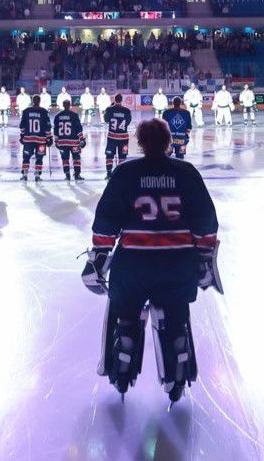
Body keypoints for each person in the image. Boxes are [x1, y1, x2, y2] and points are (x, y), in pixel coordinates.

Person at [81, 118, 219, 404]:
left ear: (140, 142)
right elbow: (206, 223)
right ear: (169, 141)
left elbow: (106, 223)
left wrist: (99, 254)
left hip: (133, 265)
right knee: (177, 316)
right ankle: (177, 359)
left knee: (126, 313)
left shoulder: (125, 173)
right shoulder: (186, 172)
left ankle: (124, 357)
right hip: (178, 264)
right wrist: (204, 256)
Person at [19, 94, 52, 182]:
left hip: (28, 140)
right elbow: (47, 126)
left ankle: (25, 175)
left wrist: (22, 135)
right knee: (39, 158)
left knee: (26, 157)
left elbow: (22, 126)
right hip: (41, 140)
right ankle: (37, 175)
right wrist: (49, 138)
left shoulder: (26, 111)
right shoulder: (44, 111)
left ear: (32, 101)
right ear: (39, 101)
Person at [53, 98, 85, 181]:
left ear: (63, 105)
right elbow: (79, 129)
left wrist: (56, 141)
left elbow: (55, 131)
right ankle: (77, 175)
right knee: (76, 158)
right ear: (70, 105)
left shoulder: (57, 116)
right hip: (74, 142)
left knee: (65, 159)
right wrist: (82, 139)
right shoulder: (74, 115)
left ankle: (67, 175)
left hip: (62, 142)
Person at [104, 93, 132, 179]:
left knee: (109, 155)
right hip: (123, 137)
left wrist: (110, 107)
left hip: (112, 136)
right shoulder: (127, 111)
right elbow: (128, 122)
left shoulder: (109, 109)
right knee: (122, 156)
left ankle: (109, 174)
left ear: (114, 100)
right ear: (121, 100)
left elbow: (106, 120)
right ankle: (121, 174)